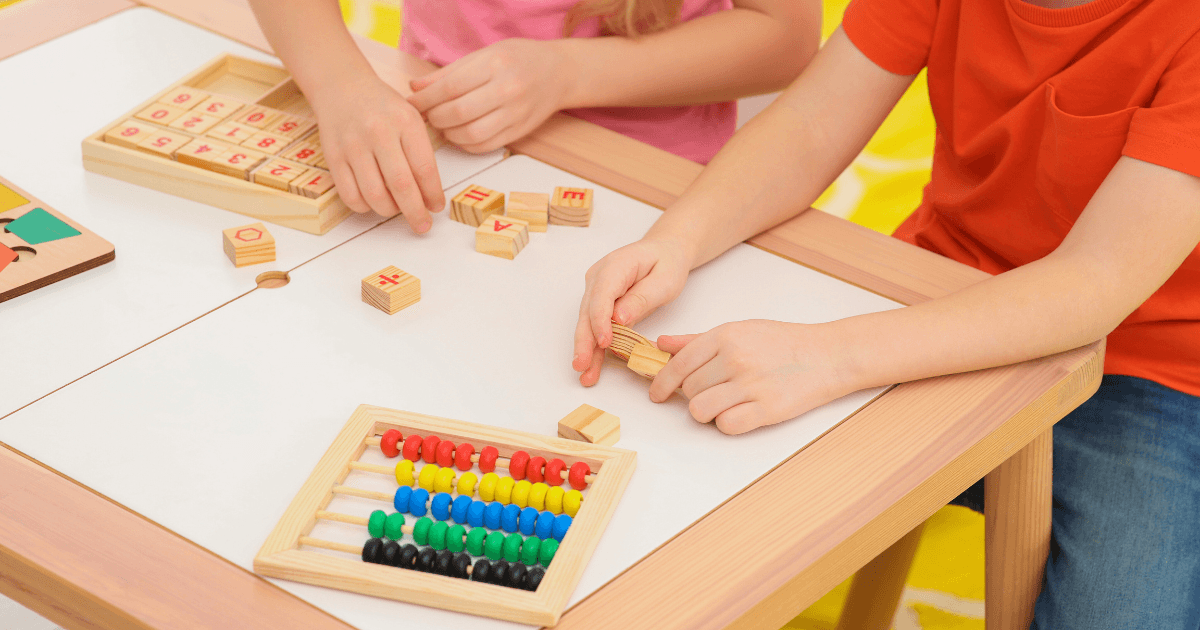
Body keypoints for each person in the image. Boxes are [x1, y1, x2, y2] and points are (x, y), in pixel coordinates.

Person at [572, 0, 1200, 625]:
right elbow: (811, 126)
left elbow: (1095, 283)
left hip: (1151, 370)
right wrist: (675, 241)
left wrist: (830, 356)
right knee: (686, 500)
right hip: (934, 292)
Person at [247, 0, 821, 233]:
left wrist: (568, 73)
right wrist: (341, 85)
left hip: (656, 192)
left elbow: (786, 37)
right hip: (427, 142)